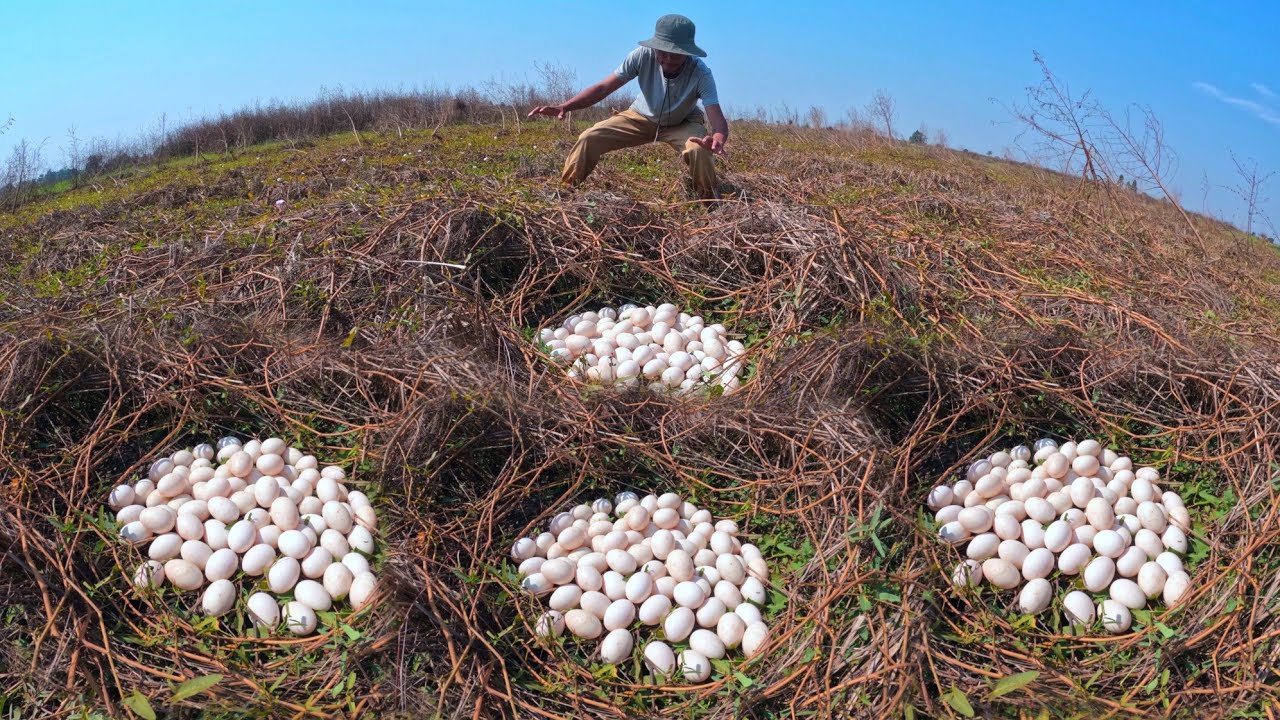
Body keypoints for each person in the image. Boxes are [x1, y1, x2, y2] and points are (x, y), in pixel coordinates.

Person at [528, 14, 729, 200]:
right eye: (662, 52)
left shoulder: (701, 74)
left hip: (682, 122)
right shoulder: (642, 56)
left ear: (686, 52)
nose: (667, 58)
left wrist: (717, 140)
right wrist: (566, 106)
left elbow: (717, 121)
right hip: (640, 117)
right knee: (589, 137)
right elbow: (603, 88)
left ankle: (708, 203)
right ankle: (566, 193)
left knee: (698, 149)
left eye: (675, 54)